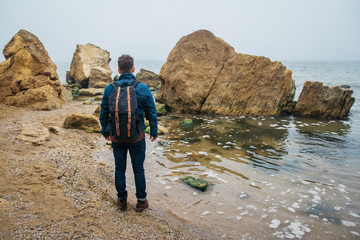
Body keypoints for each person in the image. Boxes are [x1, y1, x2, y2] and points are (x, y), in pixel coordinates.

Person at [99, 54, 158, 212]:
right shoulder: (142, 88)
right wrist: (154, 130)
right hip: (137, 137)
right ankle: (141, 201)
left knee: (120, 168)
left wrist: (105, 131)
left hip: (116, 137)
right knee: (138, 168)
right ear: (133, 68)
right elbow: (151, 111)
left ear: (118, 69)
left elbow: (103, 113)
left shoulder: (110, 88)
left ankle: (122, 200)